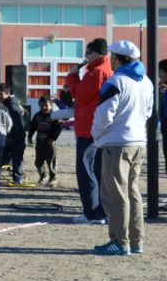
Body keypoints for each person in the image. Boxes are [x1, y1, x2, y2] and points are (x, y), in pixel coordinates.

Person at [91, 40, 153, 255]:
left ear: (116, 58)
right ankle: (136, 240)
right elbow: (148, 113)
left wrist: (96, 135)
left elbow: (103, 115)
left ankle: (119, 241)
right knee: (133, 192)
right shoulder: (146, 81)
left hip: (116, 143)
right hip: (138, 142)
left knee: (115, 195)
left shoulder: (115, 81)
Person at [66, 38, 112, 224]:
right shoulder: (106, 69)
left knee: (86, 171)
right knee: (99, 172)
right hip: (100, 130)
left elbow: (82, 96)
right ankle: (100, 210)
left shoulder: (97, 72)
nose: (86, 57)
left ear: (98, 54)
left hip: (88, 129)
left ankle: (92, 213)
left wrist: (72, 77)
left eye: (88, 53)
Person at [27, 96, 62, 185]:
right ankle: (43, 176)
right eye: (42, 106)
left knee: (51, 161)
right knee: (38, 161)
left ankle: (53, 178)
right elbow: (32, 127)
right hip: (40, 142)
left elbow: (58, 128)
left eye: (46, 105)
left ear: (51, 105)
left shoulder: (54, 116)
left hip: (50, 143)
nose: (44, 108)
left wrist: (53, 138)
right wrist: (30, 137)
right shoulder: (37, 116)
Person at [0, 83, 27, 184]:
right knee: (7, 157)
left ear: (3, 93)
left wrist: (11, 136)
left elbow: (17, 123)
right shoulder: (8, 103)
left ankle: (18, 178)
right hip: (11, 135)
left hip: (16, 136)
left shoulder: (12, 105)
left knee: (16, 157)